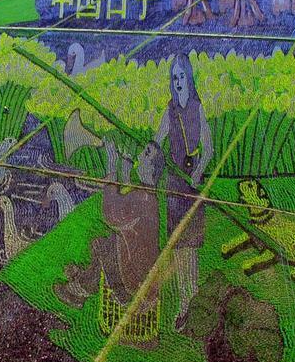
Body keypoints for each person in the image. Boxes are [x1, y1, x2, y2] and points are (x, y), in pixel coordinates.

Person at [55, 140, 163, 311]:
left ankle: (79, 290)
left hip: (133, 282)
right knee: (106, 242)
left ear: (151, 168)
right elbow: (125, 205)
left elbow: (111, 214)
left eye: (146, 153)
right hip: (138, 276)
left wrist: (112, 165)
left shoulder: (143, 198)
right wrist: (125, 170)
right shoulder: (146, 195)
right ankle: (84, 279)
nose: (140, 155)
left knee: (106, 245)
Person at [154, 53, 213, 329]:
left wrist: (198, 173)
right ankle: (183, 305)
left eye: (181, 76)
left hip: (192, 184)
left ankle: (193, 301)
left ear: (189, 78)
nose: (178, 81)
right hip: (175, 187)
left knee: (192, 248)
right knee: (179, 248)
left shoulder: (197, 109)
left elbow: (208, 148)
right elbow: (157, 141)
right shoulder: (170, 111)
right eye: (174, 77)